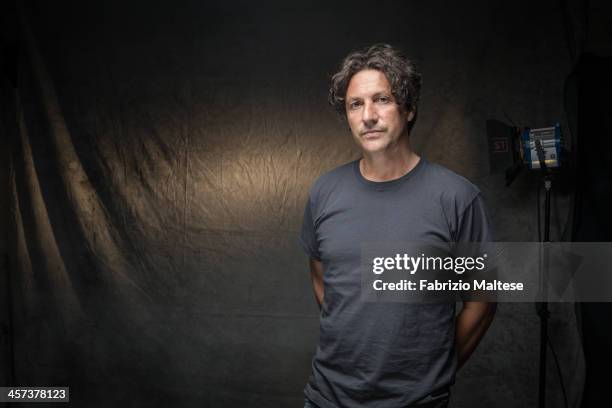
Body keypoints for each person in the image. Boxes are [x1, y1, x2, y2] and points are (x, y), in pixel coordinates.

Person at [298, 44, 497, 408]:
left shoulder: (456, 198)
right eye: (355, 104)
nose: (368, 115)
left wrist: (432, 372)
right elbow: (320, 275)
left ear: (409, 109)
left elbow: (481, 301)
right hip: (327, 398)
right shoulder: (324, 192)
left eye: (382, 100)